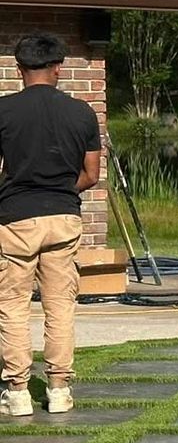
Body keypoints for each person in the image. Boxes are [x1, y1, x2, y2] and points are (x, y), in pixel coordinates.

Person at [0, 34, 103, 416]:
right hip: (64, 217)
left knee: (12, 305)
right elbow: (91, 175)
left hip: (15, 218)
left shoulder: (3, 111)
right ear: (59, 67)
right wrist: (59, 186)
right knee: (60, 305)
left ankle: (18, 390)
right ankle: (59, 388)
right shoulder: (83, 113)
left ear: (18, 69)